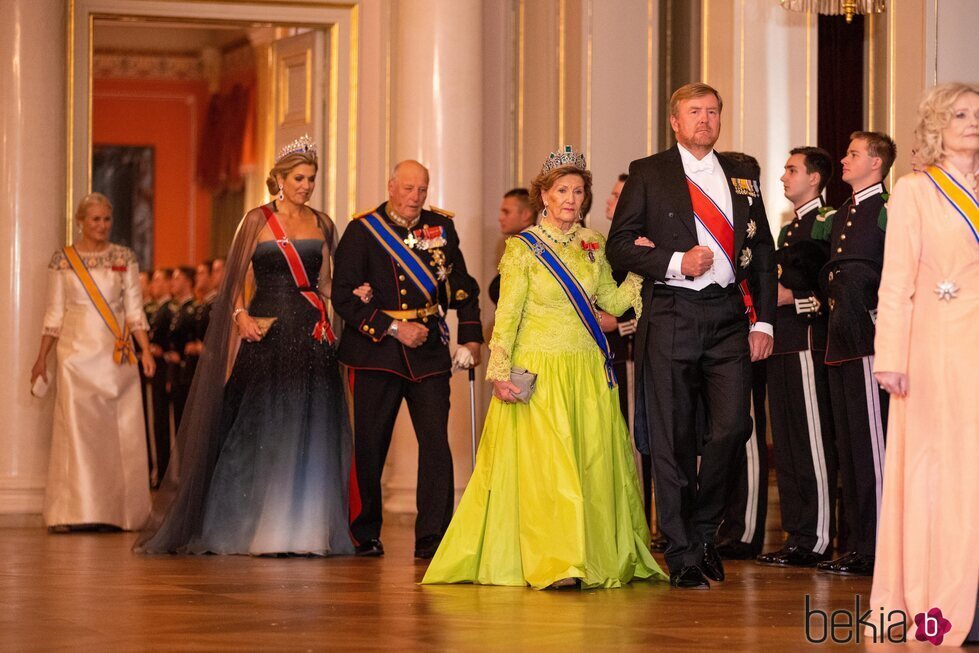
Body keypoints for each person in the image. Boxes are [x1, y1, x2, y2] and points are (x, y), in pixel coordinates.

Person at [422, 146, 667, 589]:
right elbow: (509, 315)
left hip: (587, 371)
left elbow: (610, 303)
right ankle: (557, 561)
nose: (571, 199)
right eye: (562, 191)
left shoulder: (594, 244)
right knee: (550, 471)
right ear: (545, 196)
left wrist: (639, 270)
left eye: (578, 191)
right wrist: (499, 372)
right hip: (539, 372)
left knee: (587, 465)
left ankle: (587, 555)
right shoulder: (522, 249)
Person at [136, 136, 354, 556]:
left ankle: (304, 530)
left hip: (311, 336)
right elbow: (232, 283)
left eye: (311, 178)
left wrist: (353, 294)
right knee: (259, 430)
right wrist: (240, 318)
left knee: (310, 429)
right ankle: (255, 529)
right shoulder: (255, 221)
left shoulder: (324, 223)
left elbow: (325, 283)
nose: (306, 186)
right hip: (268, 334)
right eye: (298, 178)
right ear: (279, 179)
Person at [607, 82, 777, 589]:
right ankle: (682, 551)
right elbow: (619, 246)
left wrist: (763, 320)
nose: (705, 119)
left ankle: (704, 531)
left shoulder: (743, 172)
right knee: (673, 437)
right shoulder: (648, 172)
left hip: (728, 317)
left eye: (713, 111)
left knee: (732, 429)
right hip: (673, 312)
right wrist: (676, 261)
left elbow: (763, 252)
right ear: (675, 122)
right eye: (694, 112)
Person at [870, 83, 979, 646]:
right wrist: (889, 355)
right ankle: (940, 596)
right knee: (941, 471)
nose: (972, 123)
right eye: (960, 114)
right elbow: (897, 281)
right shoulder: (914, 191)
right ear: (938, 124)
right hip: (936, 348)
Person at [332, 160, 483, 559]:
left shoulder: (440, 227)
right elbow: (343, 295)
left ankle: (433, 536)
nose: (416, 197)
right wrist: (394, 328)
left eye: (422, 189)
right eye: (408, 188)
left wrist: (470, 337)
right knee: (370, 444)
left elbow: (461, 285)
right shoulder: (363, 230)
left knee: (435, 444)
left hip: (429, 349)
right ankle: (363, 533)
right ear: (391, 187)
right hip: (376, 350)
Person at [31, 192, 156, 532]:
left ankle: (118, 512)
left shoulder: (124, 257)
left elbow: (134, 311)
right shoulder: (63, 260)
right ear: (81, 222)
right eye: (95, 219)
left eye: (106, 219)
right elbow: (54, 314)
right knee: (76, 433)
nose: (102, 225)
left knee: (119, 431)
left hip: (116, 355)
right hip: (73, 355)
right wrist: (41, 357)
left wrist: (145, 351)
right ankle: (72, 513)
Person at [815, 131, 896, 577]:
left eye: (853, 154)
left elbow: (898, 267)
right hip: (841, 337)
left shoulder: (889, 209)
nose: (844, 160)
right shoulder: (843, 212)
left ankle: (880, 544)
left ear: (877, 164)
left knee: (872, 447)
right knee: (849, 444)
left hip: (869, 336)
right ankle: (859, 541)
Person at [756, 147, 838, 568]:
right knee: (786, 443)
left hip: (808, 340)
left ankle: (819, 535)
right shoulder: (791, 228)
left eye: (792, 170)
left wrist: (795, 298)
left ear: (815, 178)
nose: (784, 177)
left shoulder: (827, 222)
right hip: (783, 344)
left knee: (812, 442)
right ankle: (797, 533)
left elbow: (830, 288)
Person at [712, 152, 771, 562]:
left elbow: (760, 272)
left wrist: (760, 325)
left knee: (745, 432)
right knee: (721, 433)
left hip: (746, 330)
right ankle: (724, 524)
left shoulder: (751, 222)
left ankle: (746, 529)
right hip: (720, 331)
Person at [146, 268, 174, 487]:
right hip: (157, 370)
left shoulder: (170, 310)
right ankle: (159, 472)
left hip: (169, 371)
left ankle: (166, 473)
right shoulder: (157, 310)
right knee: (156, 424)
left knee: (166, 424)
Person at [489, 188, 536, 305]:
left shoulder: (530, 247)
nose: (500, 218)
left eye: (506, 212)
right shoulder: (520, 243)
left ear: (525, 215)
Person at [165, 266, 197, 434]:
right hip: (177, 374)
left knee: (185, 426)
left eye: (177, 279)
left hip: (188, 375)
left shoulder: (193, 310)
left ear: (187, 281)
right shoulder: (179, 310)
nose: (173, 283)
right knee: (176, 425)